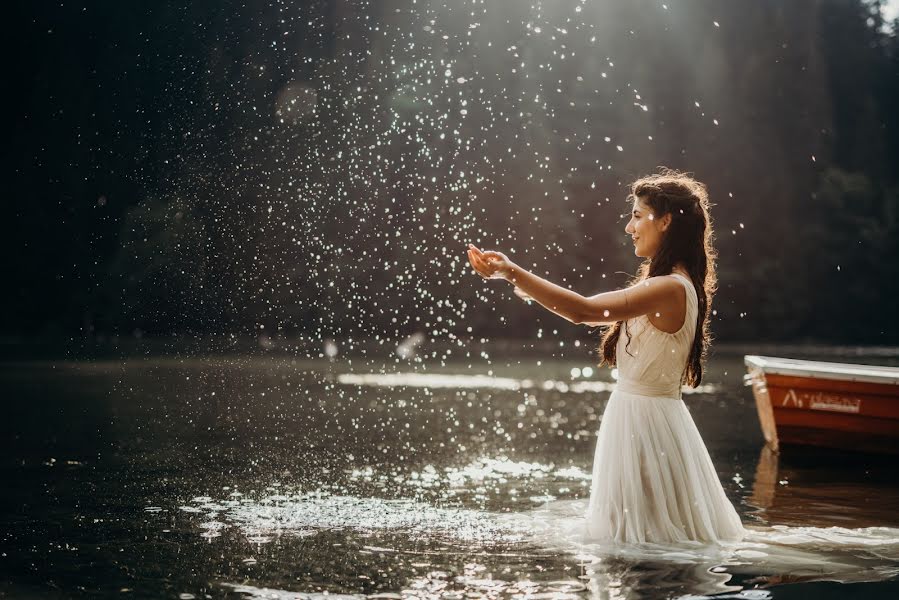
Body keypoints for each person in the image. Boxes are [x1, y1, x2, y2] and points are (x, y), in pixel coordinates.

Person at [466, 167, 745, 544]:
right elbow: (585, 309)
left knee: (638, 541)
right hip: (652, 419)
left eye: (635, 215)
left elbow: (583, 311)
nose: (629, 228)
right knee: (647, 537)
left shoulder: (669, 288)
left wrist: (512, 272)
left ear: (664, 222)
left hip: (644, 424)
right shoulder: (675, 285)